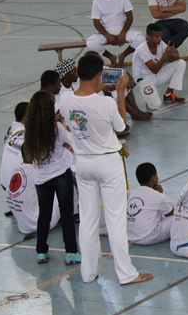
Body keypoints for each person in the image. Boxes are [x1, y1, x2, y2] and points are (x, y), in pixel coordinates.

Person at [59, 54, 152, 285]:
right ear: (99, 75)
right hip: (108, 163)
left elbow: (76, 115)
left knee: (88, 220)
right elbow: (121, 126)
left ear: (78, 73)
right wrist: (120, 94)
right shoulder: (105, 102)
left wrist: (101, 86)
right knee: (115, 220)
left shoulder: (66, 100)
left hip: (83, 163)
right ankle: (126, 273)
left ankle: (88, 273)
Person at [22, 90, 79, 264]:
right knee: (67, 214)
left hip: (41, 177)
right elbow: (73, 141)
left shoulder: (30, 130)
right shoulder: (56, 128)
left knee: (44, 214)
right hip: (61, 173)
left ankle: (41, 251)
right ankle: (70, 252)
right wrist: (63, 122)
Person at [3, 103, 60, 234]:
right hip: (36, 224)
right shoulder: (26, 139)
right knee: (60, 181)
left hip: (9, 185)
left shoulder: (13, 131)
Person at [86, 0, 145, 67]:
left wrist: (123, 32)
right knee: (90, 43)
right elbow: (96, 23)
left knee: (141, 38)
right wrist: (107, 35)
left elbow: (129, 17)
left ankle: (123, 55)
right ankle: (110, 56)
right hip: (105, 32)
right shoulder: (97, 1)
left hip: (122, 29)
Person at [132, 23, 187, 110]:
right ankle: (148, 96)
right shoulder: (142, 49)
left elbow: (173, 59)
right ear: (148, 37)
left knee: (180, 63)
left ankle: (168, 95)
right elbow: (154, 69)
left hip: (156, 76)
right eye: (156, 36)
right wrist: (165, 54)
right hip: (144, 80)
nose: (160, 38)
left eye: (160, 36)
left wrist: (176, 55)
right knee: (155, 106)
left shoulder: (160, 43)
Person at [127, 162, 174, 246]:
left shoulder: (133, 192)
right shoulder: (156, 195)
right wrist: (160, 195)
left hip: (130, 236)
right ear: (153, 178)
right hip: (146, 237)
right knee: (177, 219)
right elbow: (171, 213)